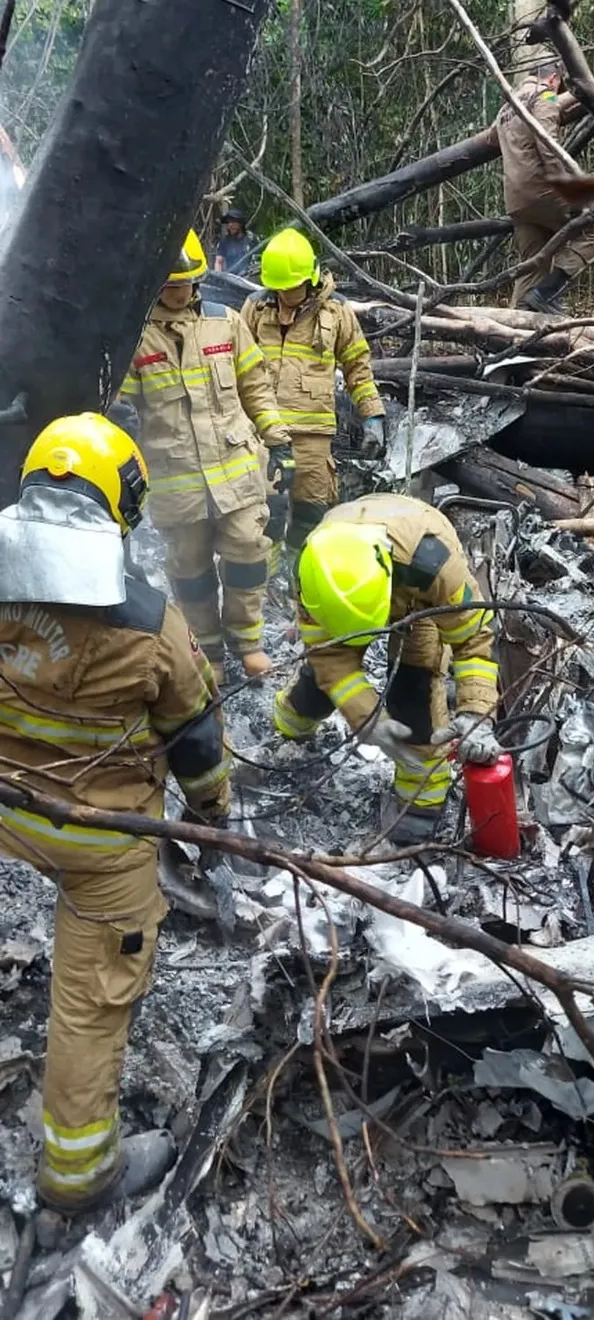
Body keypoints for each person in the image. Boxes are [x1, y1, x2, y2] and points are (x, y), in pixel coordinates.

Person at [0, 413, 231, 1212]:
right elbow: (197, 745)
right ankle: (76, 1173)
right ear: (122, 503)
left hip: (4, 805)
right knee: (91, 1004)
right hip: (102, 844)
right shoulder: (147, 624)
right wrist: (215, 829)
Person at [118, 231, 294, 684]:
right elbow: (124, 412)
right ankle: (208, 649)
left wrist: (278, 440)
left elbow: (254, 385)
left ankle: (248, 641)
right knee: (190, 570)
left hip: (236, 472)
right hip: (176, 480)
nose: (179, 292)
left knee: (248, 556)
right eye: (170, 284)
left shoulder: (225, 322)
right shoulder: (134, 338)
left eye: (186, 283)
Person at [273, 494, 498, 845]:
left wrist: (476, 715)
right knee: (321, 679)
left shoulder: (435, 566)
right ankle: (289, 726)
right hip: (352, 589)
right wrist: (367, 718)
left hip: (416, 596)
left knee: (414, 691)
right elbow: (331, 659)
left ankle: (420, 803)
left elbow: (473, 642)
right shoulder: (312, 572)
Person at [241, 228, 385, 555]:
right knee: (265, 516)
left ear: (309, 279)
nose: (282, 295)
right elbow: (237, 365)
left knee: (311, 517)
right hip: (262, 435)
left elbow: (357, 367)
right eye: (276, 288)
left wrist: (373, 416)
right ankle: (267, 582)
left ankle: (299, 578)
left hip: (313, 440)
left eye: (288, 288)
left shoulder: (336, 312)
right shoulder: (255, 308)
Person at [490, 59, 594, 312]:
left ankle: (513, 337)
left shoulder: (507, 106)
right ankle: (547, 293)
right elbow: (548, 146)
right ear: (554, 78)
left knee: (531, 265)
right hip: (542, 192)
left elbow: (490, 138)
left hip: (516, 200)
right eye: (559, 84)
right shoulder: (546, 97)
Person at [214, 208, 255, 276]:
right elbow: (219, 261)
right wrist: (218, 277)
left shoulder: (251, 240)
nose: (230, 225)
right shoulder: (224, 242)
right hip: (232, 280)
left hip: (249, 279)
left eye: (233, 222)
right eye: (228, 222)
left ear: (241, 223)